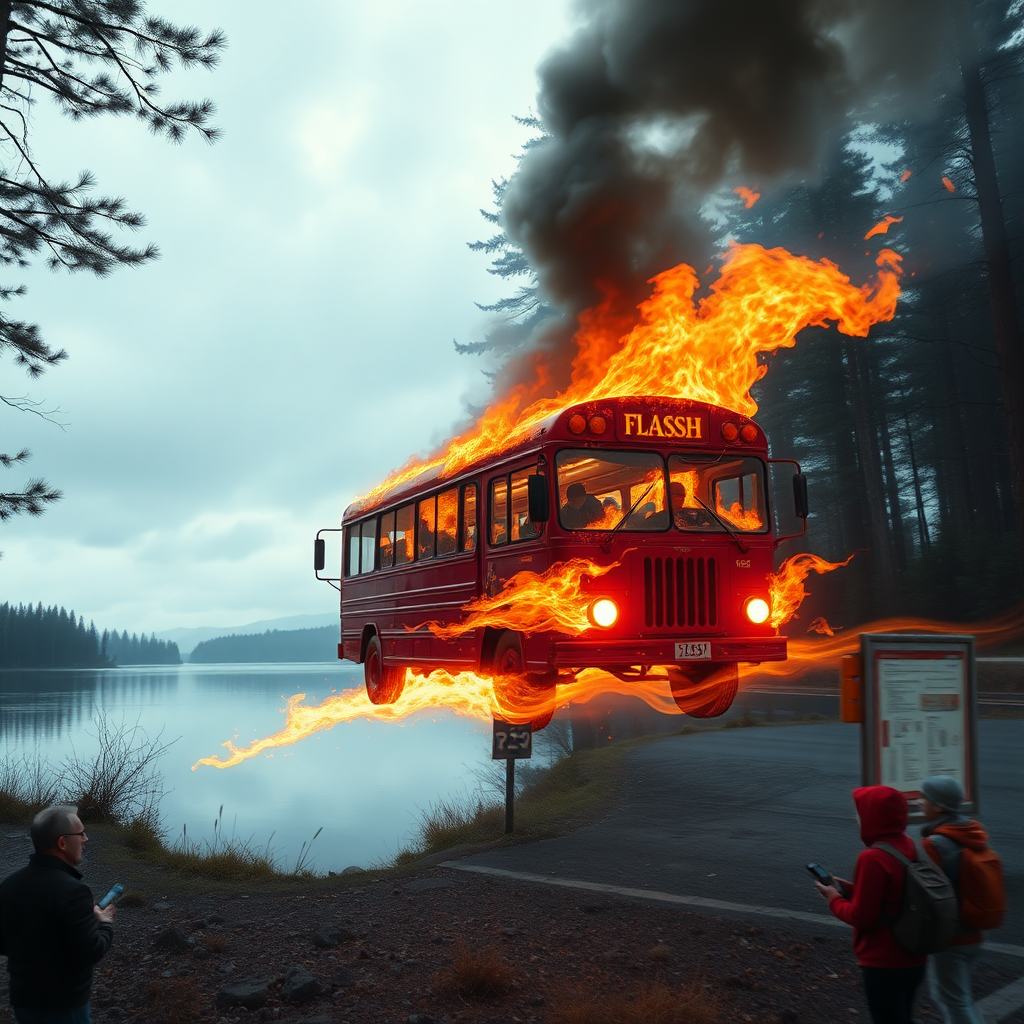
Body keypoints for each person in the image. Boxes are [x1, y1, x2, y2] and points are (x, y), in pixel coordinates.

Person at [815, 786, 927, 1024]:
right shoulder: (912, 846)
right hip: (915, 957)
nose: (856, 817)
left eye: (860, 812)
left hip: (884, 962)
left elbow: (862, 917)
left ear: (874, 816)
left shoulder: (872, 858)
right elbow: (894, 895)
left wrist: (833, 897)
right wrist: (849, 887)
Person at [0, 805, 115, 1024]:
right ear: (62, 843)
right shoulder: (74, 892)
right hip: (64, 1006)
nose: (86, 839)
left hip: (23, 1002)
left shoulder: (9, 885)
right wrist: (105, 924)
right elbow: (91, 952)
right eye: (80, 833)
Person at [919, 776, 987, 1024]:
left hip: (950, 938)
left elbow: (923, 891)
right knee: (961, 997)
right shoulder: (970, 832)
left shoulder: (936, 844)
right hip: (974, 933)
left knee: (954, 1002)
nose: (919, 802)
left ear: (937, 806)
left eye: (924, 799)